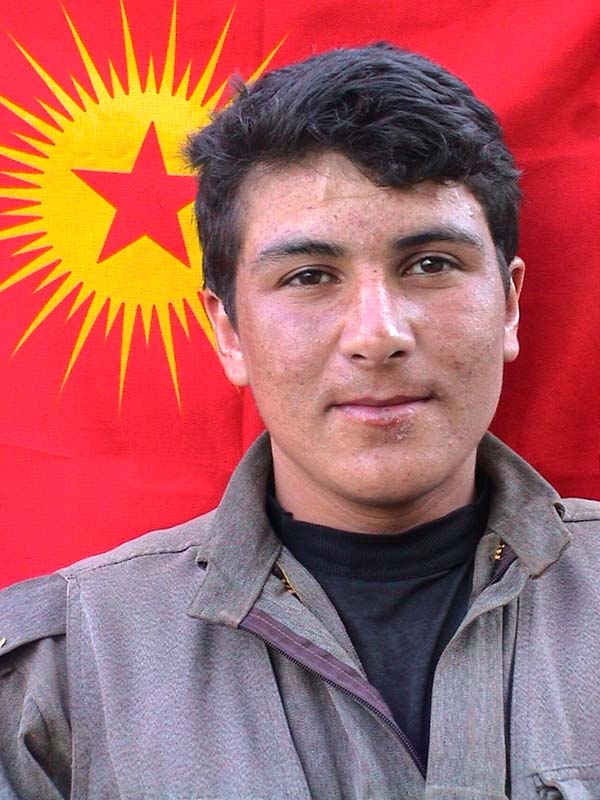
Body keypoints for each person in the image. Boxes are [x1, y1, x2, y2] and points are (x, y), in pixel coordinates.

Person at [1, 43, 599, 800]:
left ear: (509, 305)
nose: (377, 334)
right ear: (228, 331)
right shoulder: (62, 679)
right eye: (310, 276)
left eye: (431, 264)